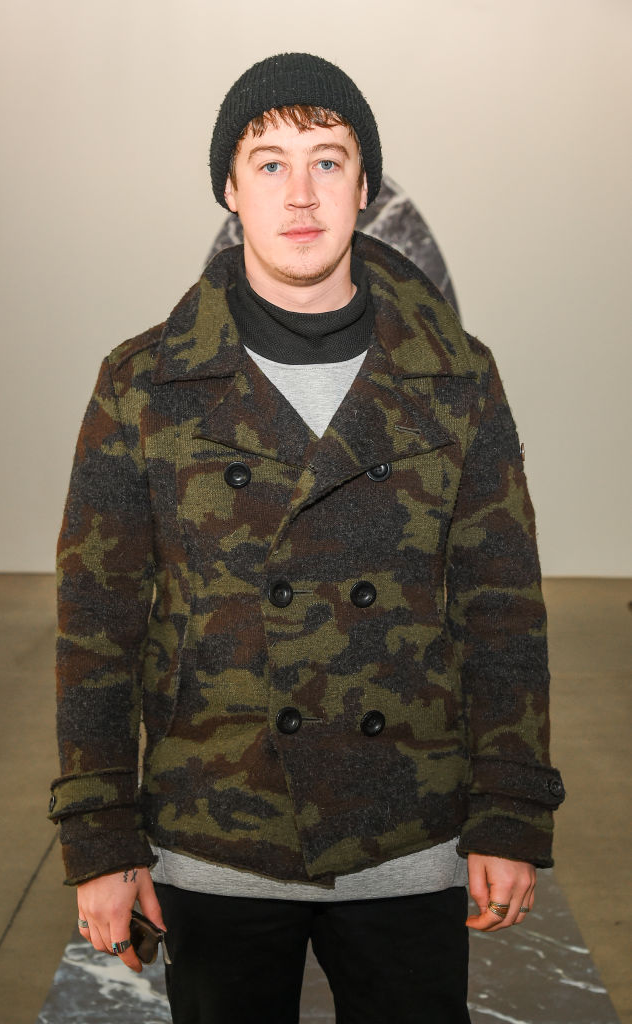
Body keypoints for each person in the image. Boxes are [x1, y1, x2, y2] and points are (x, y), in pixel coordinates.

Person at [49, 52, 565, 1024]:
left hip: (409, 834)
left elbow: (500, 606)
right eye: (269, 163)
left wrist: (511, 809)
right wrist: (99, 835)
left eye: (328, 161)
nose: (301, 193)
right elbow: (97, 625)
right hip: (215, 836)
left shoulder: (455, 376)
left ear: (365, 188)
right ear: (229, 189)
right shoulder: (145, 383)